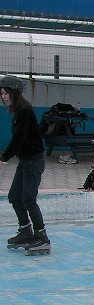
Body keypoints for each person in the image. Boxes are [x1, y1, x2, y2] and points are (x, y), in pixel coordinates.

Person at [1, 75, 50, 256]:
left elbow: (19, 138)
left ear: (14, 92)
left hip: (33, 161)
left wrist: (4, 158)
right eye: (2, 94)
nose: (3, 97)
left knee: (28, 199)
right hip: (25, 161)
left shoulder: (25, 109)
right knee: (15, 196)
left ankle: (42, 237)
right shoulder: (19, 110)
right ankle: (25, 231)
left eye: (6, 93)